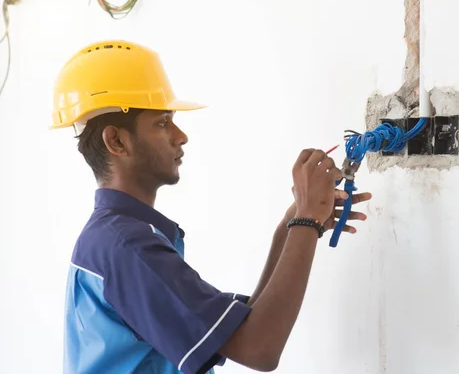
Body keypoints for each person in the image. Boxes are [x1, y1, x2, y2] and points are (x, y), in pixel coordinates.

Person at [50, 40, 372, 374]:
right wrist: (307, 221)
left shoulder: (115, 238)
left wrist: (293, 225)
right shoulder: (127, 246)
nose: (181, 136)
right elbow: (260, 348)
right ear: (116, 141)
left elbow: (244, 327)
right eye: (162, 123)